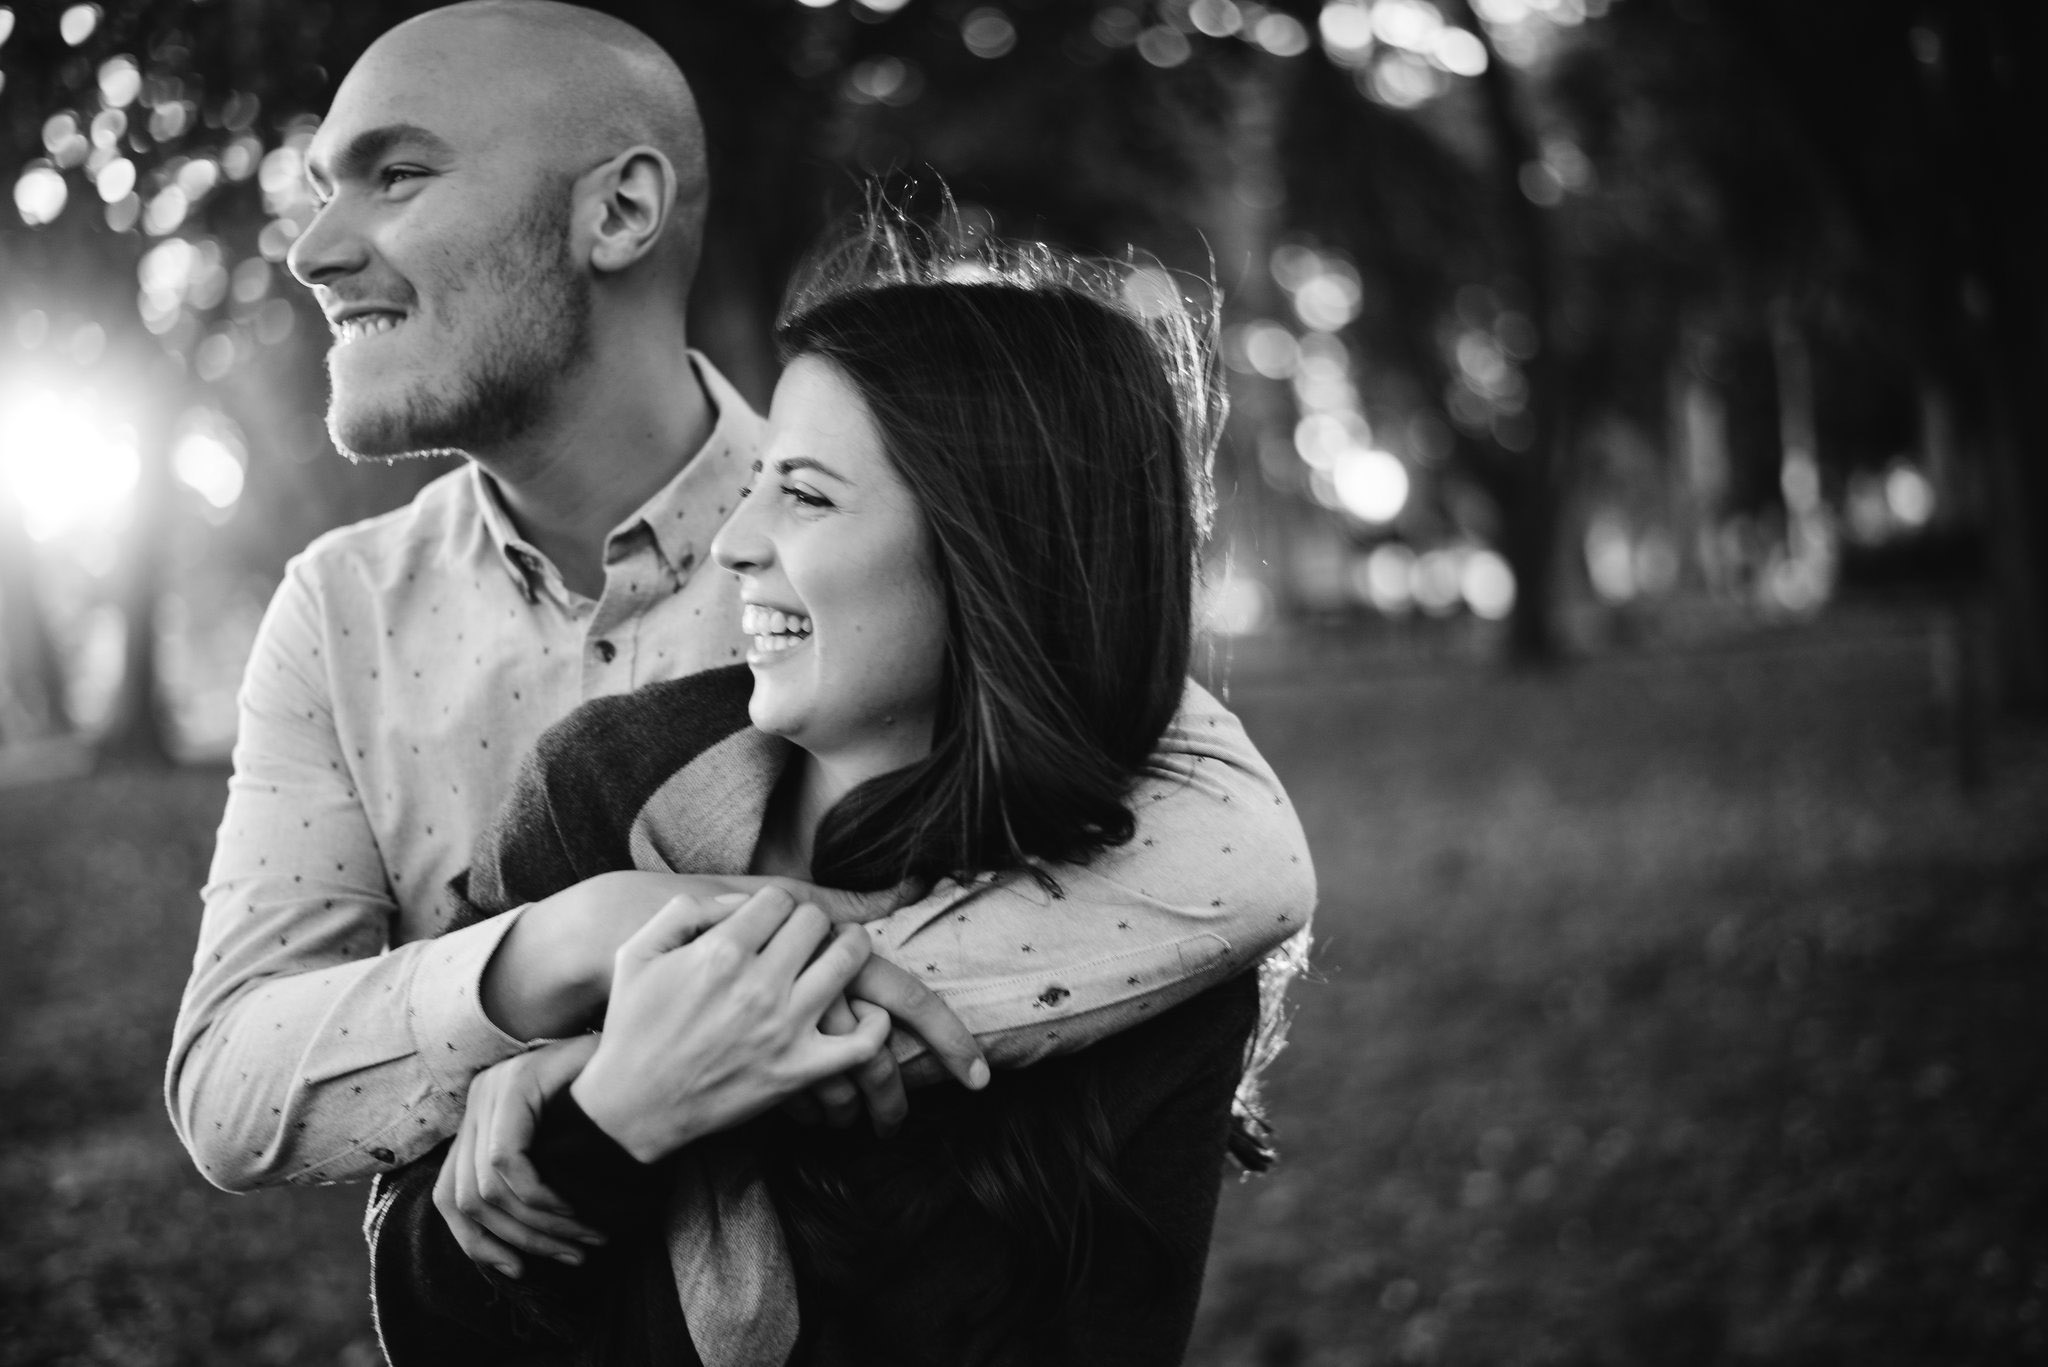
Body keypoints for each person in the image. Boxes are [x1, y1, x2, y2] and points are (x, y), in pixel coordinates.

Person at [167, 0, 1309, 1267]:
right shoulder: (338, 608)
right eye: (323, 190)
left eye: (395, 175)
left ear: (619, 211)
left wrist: (659, 1046)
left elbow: (1233, 854)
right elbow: (229, 1084)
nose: (315, 249)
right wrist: (572, 942)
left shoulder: (891, 551)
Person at [368, 221, 1306, 1365]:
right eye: (757, 482)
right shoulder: (607, 788)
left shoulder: (1146, 949)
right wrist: (605, 1120)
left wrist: (729, 1076)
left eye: (805, 496)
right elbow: (427, 1306)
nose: (734, 543)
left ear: (987, 549)